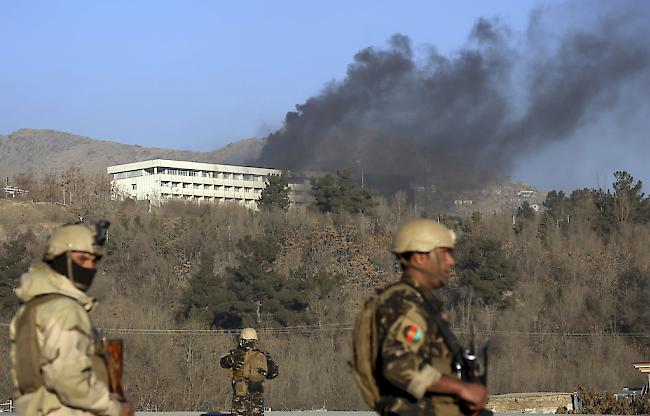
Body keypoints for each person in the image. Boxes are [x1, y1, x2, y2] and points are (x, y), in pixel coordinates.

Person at [10, 222, 134, 416]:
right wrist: (114, 408)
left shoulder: (32, 307)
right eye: (82, 259)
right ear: (59, 257)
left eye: (94, 261)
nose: (90, 267)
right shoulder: (64, 309)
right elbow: (68, 379)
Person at [368, 218, 489, 416]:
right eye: (443, 254)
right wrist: (461, 389)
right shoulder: (409, 306)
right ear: (419, 258)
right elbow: (399, 366)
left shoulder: (423, 303)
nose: (451, 261)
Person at [220, 328, 279, 416]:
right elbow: (274, 373)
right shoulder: (263, 355)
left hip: (240, 398)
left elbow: (223, 363)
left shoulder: (236, 355)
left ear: (242, 340)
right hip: (257, 400)